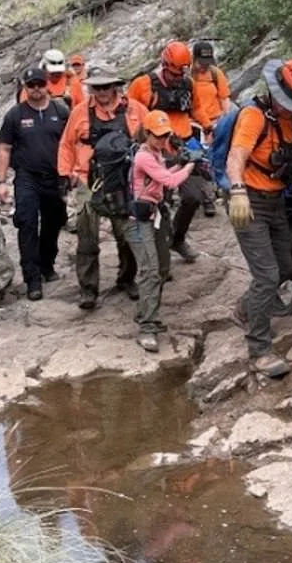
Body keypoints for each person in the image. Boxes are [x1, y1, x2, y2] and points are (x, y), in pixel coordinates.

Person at [227, 58, 292, 378]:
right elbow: (236, 158)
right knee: (268, 275)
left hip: (277, 202)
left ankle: (245, 309)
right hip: (250, 203)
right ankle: (259, 349)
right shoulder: (254, 117)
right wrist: (238, 192)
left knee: (286, 267)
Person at [58, 65, 148, 309]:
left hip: (122, 179)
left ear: (115, 86)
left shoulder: (134, 109)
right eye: (96, 87)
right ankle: (88, 289)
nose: (101, 91)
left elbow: (151, 138)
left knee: (126, 234)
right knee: (87, 237)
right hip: (89, 179)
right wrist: (66, 175)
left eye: (106, 86)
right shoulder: (80, 112)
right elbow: (67, 143)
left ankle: (127, 278)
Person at [123, 110, 195, 352]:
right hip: (138, 220)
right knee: (150, 271)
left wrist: (181, 165)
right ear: (147, 133)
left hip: (153, 215)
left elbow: (163, 177)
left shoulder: (156, 154)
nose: (164, 140)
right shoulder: (143, 156)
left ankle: (147, 312)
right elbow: (170, 182)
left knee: (162, 268)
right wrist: (191, 166)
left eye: (166, 135)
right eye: (159, 136)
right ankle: (147, 327)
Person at [128, 41, 205, 264]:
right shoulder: (143, 84)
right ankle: (158, 256)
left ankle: (177, 239)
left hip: (185, 144)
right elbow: (132, 113)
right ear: (164, 65)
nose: (176, 78)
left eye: (180, 73)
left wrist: (208, 126)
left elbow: (196, 108)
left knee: (192, 197)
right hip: (157, 149)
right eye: (173, 74)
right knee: (159, 202)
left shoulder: (188, 84)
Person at [0, 66, 69, 300]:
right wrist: (0, 182)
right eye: (31, 85)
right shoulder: (15, 115)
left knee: (54, 221)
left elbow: (71, 142)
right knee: (27, 223)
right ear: (25, 88)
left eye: (39, 84)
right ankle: (32, 278)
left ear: (47, 83)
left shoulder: (61, 110)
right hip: (26, 177)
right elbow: (4, 148)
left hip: (55, 177)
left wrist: (74, 171)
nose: (36, 89)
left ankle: (47, 264)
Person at [191, 40, 231, 217]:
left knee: (218, 157)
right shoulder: (188, 77)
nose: (204, 66)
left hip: (215, 122)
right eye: (201, 62)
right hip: (195, 124)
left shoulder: (215, 74)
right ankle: (207, 199)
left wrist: (225, 121)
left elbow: (224, 99)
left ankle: (223, 191)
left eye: (207, 62)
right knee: (200, 161)